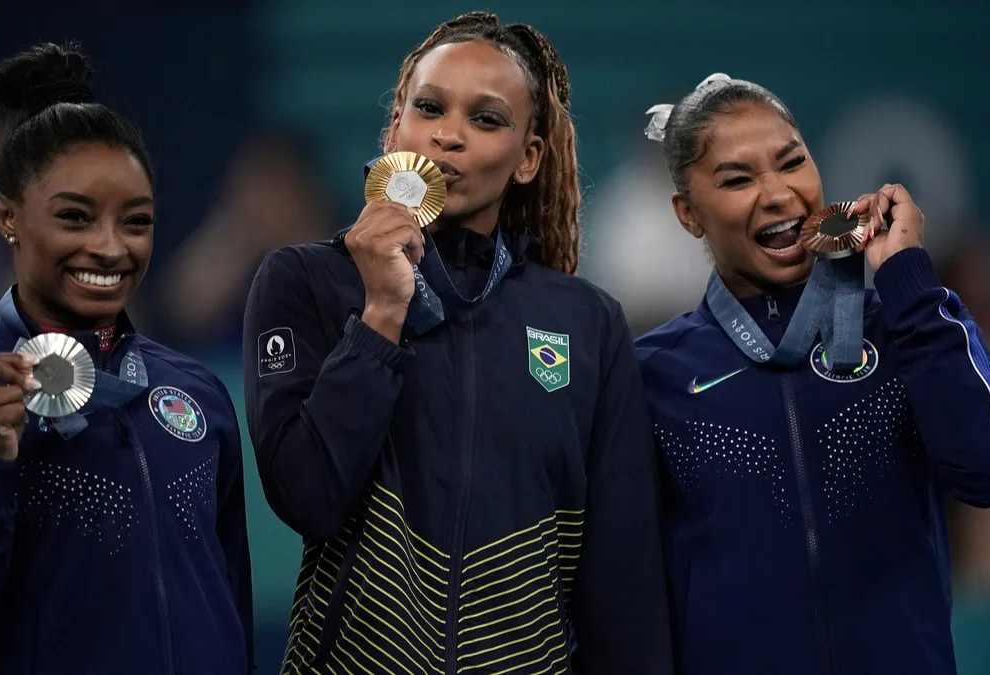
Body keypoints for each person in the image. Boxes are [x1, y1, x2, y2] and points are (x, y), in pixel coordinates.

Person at [242, 11, 672, 675]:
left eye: (488, 119)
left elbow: (623, 587)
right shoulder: (306, 282)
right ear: (395, 130)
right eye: (429, 107)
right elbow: (307, 496)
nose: (449, 135)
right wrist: (383, 310)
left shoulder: (587, 324)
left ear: (529, 158)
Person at [0, 42, 255, 674]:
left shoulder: (198, 394)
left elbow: (229, 607)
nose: (109, 247)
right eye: (75, 217)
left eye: (136, 221)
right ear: (8, 217)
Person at [634, 73, 990, 675]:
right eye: (737, 179)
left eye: (791, 162)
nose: (777, 194)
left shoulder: (907, 327)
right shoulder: (654, 374)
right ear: (688, 213)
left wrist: (908, 278)